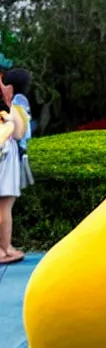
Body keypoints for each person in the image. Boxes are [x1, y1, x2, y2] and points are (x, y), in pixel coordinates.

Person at [0, 68, 32, 264]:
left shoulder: (17, 104)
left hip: (8, 156)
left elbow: (18, 131)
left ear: (10, 87)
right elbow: (19, 134)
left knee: (3, 206)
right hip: (8, 159)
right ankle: (4, 249)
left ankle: (5, 247)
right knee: (5, 206)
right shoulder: (17, 104)